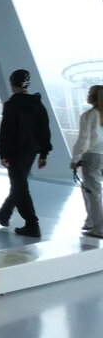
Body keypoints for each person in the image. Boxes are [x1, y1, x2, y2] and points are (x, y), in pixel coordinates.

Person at [0, 68, 51, 238]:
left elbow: (6, 132)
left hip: (15, 152)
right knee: (19, 184)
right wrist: (44, 153)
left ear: (12, 84)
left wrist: (3, 154)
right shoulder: (37, 104)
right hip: (31, 151)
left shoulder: (12, 105)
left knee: (20, 187)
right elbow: (45, 129)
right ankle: (4, 214)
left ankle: (32, 224)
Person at [70, 84, 103, 239]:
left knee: (92, 192)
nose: (87, 95)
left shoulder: (89, 115)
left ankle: (99, 227)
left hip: (92, 155)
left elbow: (84, 139)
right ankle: (90, 221)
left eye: (90, 93)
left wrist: (75, 159)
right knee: (92, 190)